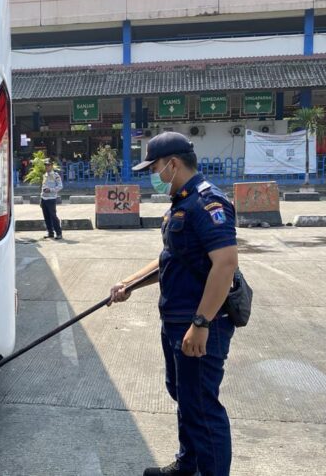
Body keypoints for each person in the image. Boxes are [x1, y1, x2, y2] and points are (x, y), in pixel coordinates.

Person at [109, 132, 239, 476]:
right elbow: (171, 258)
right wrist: (129, 284)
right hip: (176, 320)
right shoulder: (181, 203)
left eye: (155, 168)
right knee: (184, 396)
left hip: (198, 322)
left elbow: (225, 263)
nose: (154, 175)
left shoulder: (207, 202)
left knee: (202, 407)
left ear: (173, 164)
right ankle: (188, 464)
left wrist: (201, 323)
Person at [40, 159, 63, 240]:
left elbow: (60, 186)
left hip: (51, 199)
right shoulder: (45, 175)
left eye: (48, 165)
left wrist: (50, 190)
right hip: (44, 198)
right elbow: (43, 187)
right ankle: (50, 233)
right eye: (46, 165)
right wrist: (41, 197)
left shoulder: (56, 175)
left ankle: (59, 233)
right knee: (46, 217)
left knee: (53, 216)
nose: (47, 167)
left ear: (52, 166)